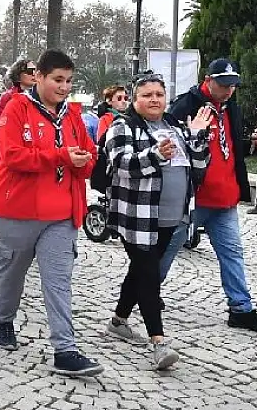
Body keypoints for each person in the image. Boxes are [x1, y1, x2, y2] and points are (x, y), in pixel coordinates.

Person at [0, 50, 104, 377]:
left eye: (68, 81)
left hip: (61, 213)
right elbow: (12, 156)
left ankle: (65, 349)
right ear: (38, 76)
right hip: (17, 211)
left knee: (58, 281)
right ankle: (4, 319)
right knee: (12, 272)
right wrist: (61, 156)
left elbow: (89, 154)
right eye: (57, 80)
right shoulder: (16, 108)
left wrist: (83, 161)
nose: (64, 87)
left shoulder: (72, 115)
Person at [159, 59, 257, 332]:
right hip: (192, 198)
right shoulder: (184, 106)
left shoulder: (230, 106)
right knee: (168, 249)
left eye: (233, 85)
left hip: (224, 198)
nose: (228, 90)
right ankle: (146, 291)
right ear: (208, 79)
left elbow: (231, 147)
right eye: (223, 85)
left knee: (232, 252)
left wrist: (252, 144)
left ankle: (241, 308)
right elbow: (171, 151)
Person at [103, 73, 212, 370]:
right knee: (150, 275)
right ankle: (159, 344)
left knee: (140, 271)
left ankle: (118, 321)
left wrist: (200, 136)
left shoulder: (175, 126)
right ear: (135, 100)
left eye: (159, 95)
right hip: (137, 218)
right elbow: (123, 164)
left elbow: (200, 166)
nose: (154, 100)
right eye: (147, 95)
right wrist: (155, 153)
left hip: (172, 218)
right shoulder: (122, 126)